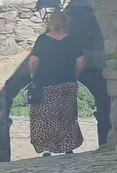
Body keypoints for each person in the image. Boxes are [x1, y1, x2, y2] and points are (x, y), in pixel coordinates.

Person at [26, 8, 85, 156]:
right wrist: (74, 77)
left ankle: (47, 149)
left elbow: (34, 61)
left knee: (44, 118)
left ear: (50, 23)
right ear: (65, 23)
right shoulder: (72, 40)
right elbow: (81, 61)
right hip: (67, 84)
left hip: (45, 85)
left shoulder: (42, 40)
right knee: (67, 116)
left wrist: (35, 77)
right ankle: (68, 147)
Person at [63, 0, 111, 148]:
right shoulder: (96, 13)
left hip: (82, 64)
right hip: (100, 65)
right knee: (105, 106)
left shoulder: (74, 19)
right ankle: (105, 142)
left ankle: (103, 141)